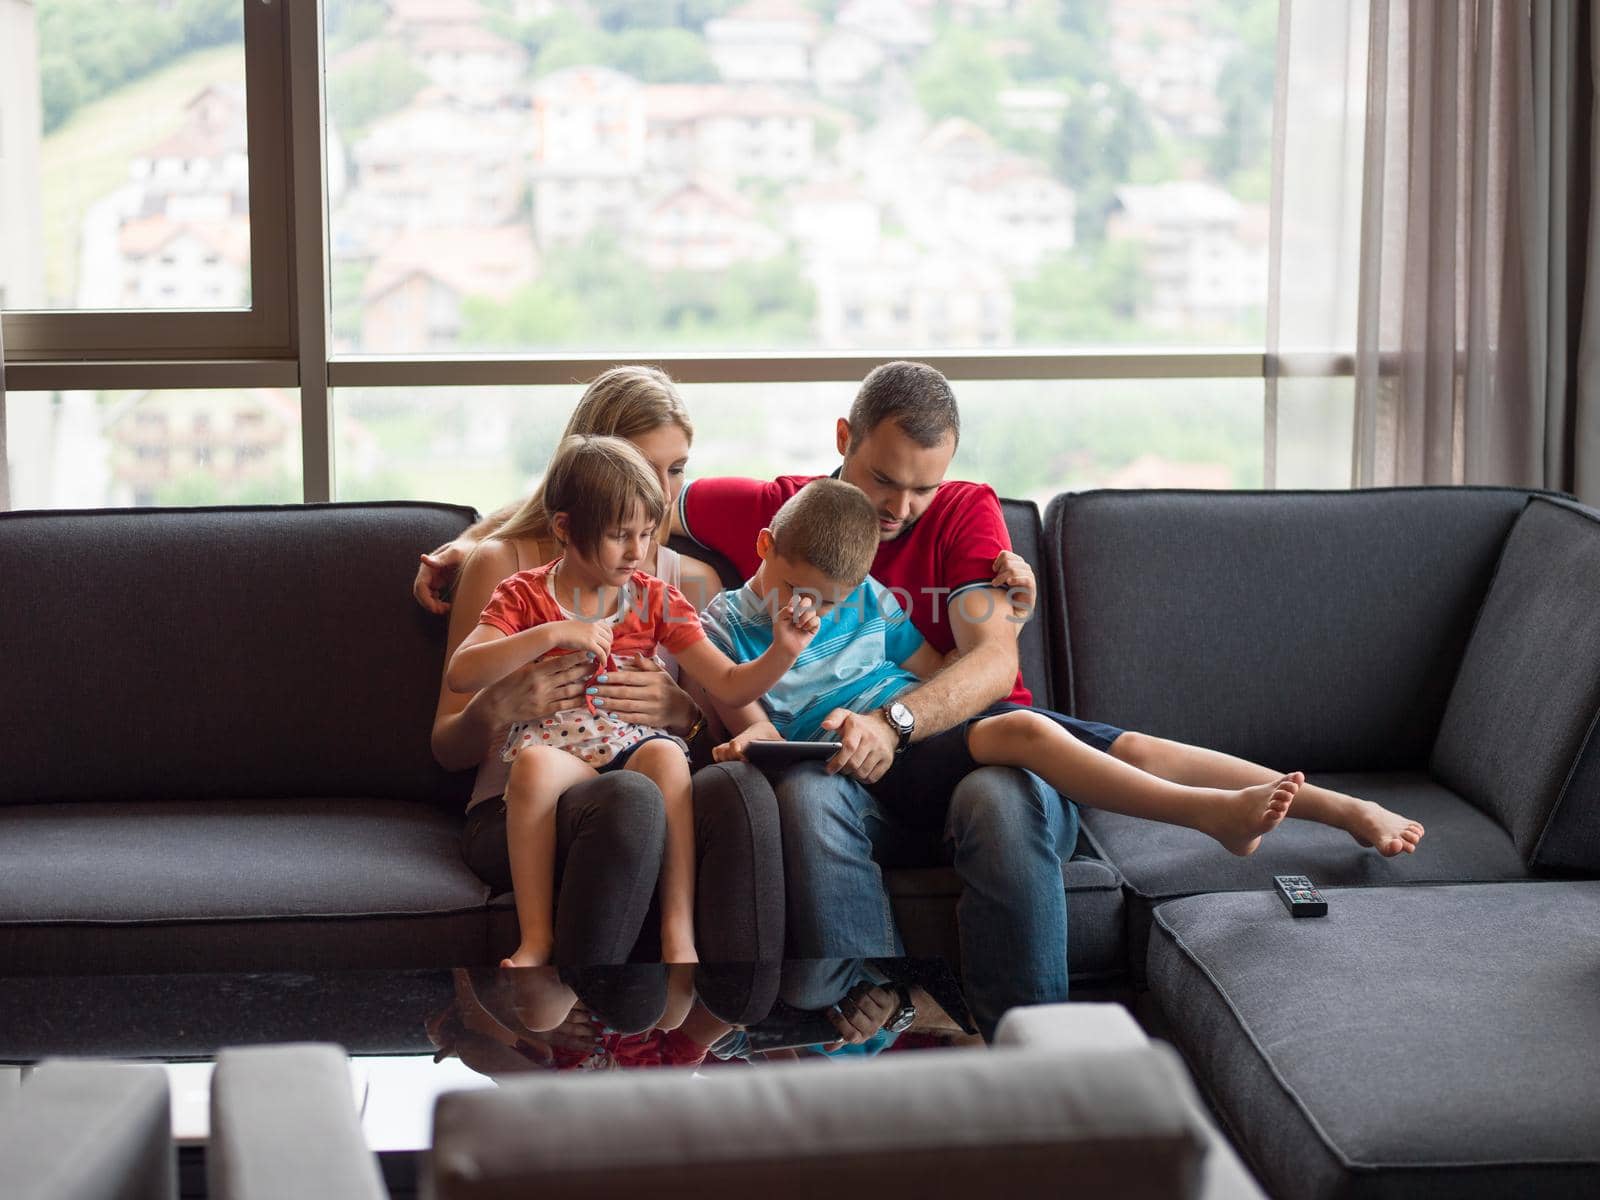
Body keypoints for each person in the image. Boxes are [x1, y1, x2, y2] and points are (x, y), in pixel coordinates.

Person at [674, 361, 1425, 1039]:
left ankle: (1033, 1040)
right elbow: (627, 502)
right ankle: (883, 1002)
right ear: (844, 438)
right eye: (882, 480)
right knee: (824, 793)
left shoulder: (961, 515)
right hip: (869, 766)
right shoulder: (776, 513)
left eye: (922, 487)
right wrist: (636, 627)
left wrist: (913, 703)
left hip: (969, 741)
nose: (901, 508)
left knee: (1050, 769)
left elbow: (985, 667)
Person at [701, 478, 1343, 859]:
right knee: (1027, 732)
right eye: (797, 590)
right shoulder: (723, 627)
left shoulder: (871, 597)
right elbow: (760, 734)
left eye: (834, 599)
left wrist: (1012, 618)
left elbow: (940, 674)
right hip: (872, 758)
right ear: (765, 546)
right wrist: (813, 722)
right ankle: (1210, 814)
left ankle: (1345, 811)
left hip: (923, 724)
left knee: (1133, 743)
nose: (812, 609)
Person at [419, 365, 780, 965]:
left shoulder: (688, 580)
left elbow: (742, 724)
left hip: (636, 771)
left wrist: (685, 715)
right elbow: (447, 748)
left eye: (676, 468)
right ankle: (578, 1000)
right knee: (631, 803)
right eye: (642, 467)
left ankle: (718, 1014)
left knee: (719, 793)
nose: (663, 492)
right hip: (518, 802)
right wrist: (496, 708)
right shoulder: (502, 568)